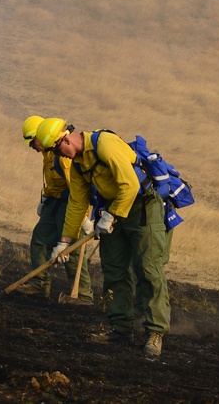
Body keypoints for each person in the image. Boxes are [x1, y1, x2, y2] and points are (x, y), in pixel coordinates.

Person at [36, 117, 169, 357]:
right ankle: (120, 330)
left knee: (148, 270)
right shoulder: (77, 163)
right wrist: (63, 242)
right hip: (112, 211)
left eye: (57, 150)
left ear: (65, 139)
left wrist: (111, 215)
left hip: (142, 209)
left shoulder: (104, 143)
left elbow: (129, 185)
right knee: (114, 270)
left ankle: (155, 332)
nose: (60, 156)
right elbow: (77, 203)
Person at [20, 116, 90, 299]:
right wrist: (45, 199)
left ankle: (82, 295)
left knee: (71, 252)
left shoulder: (63, 156)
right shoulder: (48, 154)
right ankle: (39, 283)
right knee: (40, 239)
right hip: (55, 203)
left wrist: (84, 218)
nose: (31, 146)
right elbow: (53, 182)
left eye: (31, 141)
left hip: (70, 206)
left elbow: (77, 189)